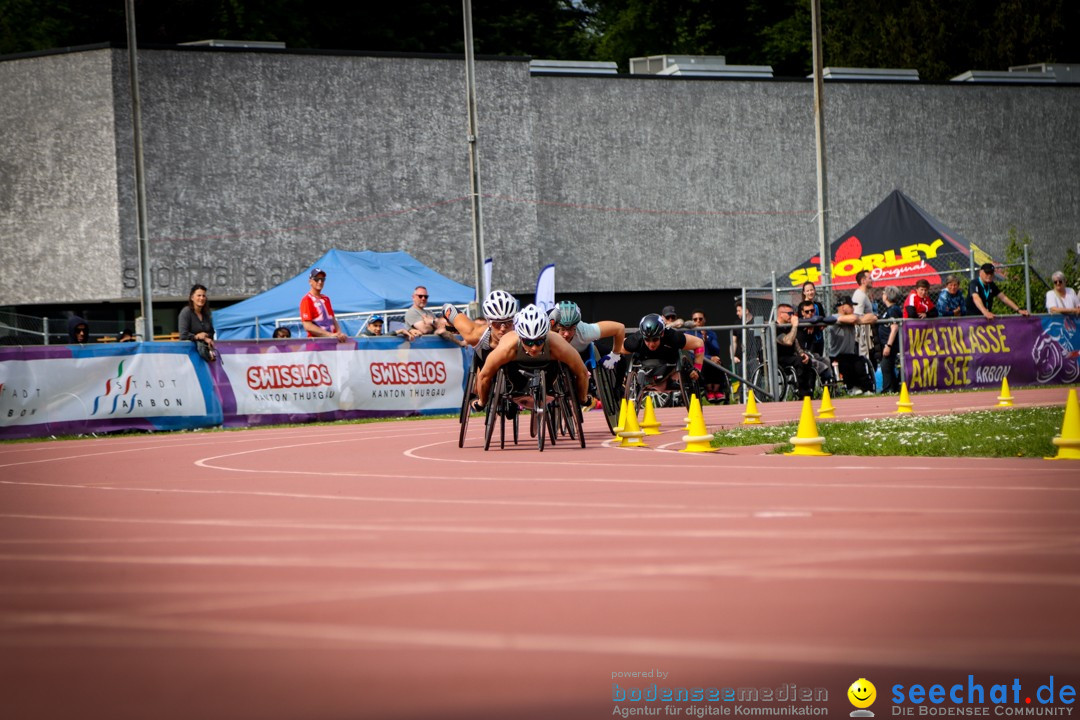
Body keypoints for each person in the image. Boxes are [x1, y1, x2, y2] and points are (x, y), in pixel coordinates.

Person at [473, 304, 591, 410]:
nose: (534, 347)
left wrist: (583, 399)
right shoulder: (507, 347)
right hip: (515, 373)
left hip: (550, 369)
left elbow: (582, 373)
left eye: (539, 342)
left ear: (545, 336)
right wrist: (482, 402)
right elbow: (484, 376)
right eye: (528, 342)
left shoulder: (558, 345)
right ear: (520, 338)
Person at [624, 313, 705, 402]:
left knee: (662, 387)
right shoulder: (634, 341)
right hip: (646, 367)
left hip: (669, 368)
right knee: (660, 387)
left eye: (655, 339)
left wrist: (697, 369)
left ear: (662, 334)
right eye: (647, 339)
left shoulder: (673, 337)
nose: (651, 344)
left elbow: (699, 343)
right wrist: (624, 376)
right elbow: (617, 350)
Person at [443, 289, 520, 362]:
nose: (502, 328)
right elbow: (447, 308)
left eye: (508, 323)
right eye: (496, 323)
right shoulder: (474, 333)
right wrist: (450, 325)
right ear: (489, 322)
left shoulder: (523, 336)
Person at [828, 296, 877, 395]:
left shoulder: (853, 317)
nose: (853, 308)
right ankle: (851, 387)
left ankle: (867, 389)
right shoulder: (834, 317)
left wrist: (860, 320)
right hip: (837, 355)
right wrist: (860, 319)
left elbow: (873, 317)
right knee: (847, 364)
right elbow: (853, 318)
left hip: (850, 353)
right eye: (850, 306)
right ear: (843, 307)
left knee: (860, 362)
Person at [547, 300, 627, 361]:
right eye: (563, 329)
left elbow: (619, 328)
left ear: (576, 326)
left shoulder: (584, 331)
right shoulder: (547, 331)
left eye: (571, 329)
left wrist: (615, 355)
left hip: (583, 352)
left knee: (621, 360)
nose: (566, 334)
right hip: (558, 356)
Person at [774, 304, 818, 399]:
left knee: (807, 360)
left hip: (789, 357)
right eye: (789, 313)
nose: (792, 316)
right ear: (781, 314)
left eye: (793, 313)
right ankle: (803, 393)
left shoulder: (788, 326)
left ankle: (810, 391)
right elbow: (788, 341)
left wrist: (802, 353)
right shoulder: (775, 327)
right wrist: (795, 326)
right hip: (777, 358)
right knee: (799, 361)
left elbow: (795, 343)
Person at [685, 309, 725, 402]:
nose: (698, 321)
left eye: (700, 319)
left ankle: (717, 390)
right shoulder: (689, 333)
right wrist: (709, 358)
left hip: (711, 358)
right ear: (692, 321)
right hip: (697, 359)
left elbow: (716, 350)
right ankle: (709, 390)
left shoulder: (710, 333)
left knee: (717, 362)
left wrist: (707, 339)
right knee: (706, 363)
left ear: (704, 320)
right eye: (695, 319)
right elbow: (691, 352)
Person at [966, 263, 1030, 319]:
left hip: (985, 318)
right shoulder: (974, 283)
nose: (989, 275)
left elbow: (1003, 298)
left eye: (991, 273)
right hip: (972, 318)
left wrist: (1018, 310)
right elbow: (976, 298)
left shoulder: (991, 285)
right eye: (987, 273)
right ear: (980, 272)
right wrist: (985, 312)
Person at [300, 268, 347, 342]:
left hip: (331, 343)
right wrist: (329, 335)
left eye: (322, 279)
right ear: (310, 281)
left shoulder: (326, 298)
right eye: (316, 279)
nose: (320, 282)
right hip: (316, 345)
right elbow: (307, 326)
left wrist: (339, 334)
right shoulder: (306, 300)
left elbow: (333, 319)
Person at [178, 284, 216, 361]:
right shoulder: (186, 312)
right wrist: (197, 336)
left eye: (203, 296)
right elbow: (183, 335)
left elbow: (211, 332)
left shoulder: (206, 313)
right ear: (192, 297)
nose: (201, 298)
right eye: (199, 295)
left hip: (205, 355)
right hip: (190, 357)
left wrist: (206, 336)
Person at [878, 286, 903, 394]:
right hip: (885, 343)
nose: (882, 295)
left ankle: (887, 389)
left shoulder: (893, 310)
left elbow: (894, 328)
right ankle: (893, 388)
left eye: (884, 293)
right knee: (888, 366)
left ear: (888, 296)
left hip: (890, 344)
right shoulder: (888, 310)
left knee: (885, 366)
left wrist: (888, 345)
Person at [851, 270, 876, 360]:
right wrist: (871, 317)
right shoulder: (859, 295)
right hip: (862, 340)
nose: (872, 280)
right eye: (869, 278)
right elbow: (857, 316)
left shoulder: (864, 295)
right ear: (863, 281)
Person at [799, 282, 827, 356]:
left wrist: (822, 325)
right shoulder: (801, 305)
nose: (810, 292)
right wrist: (809, 324)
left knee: (819, 358)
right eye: (807, 291)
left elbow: (823, 318)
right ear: (804, 292)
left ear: (814, 290)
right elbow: (800, 320)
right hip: (808, 339)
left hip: (819, 338)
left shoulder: (818, 305)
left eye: (811, 290)